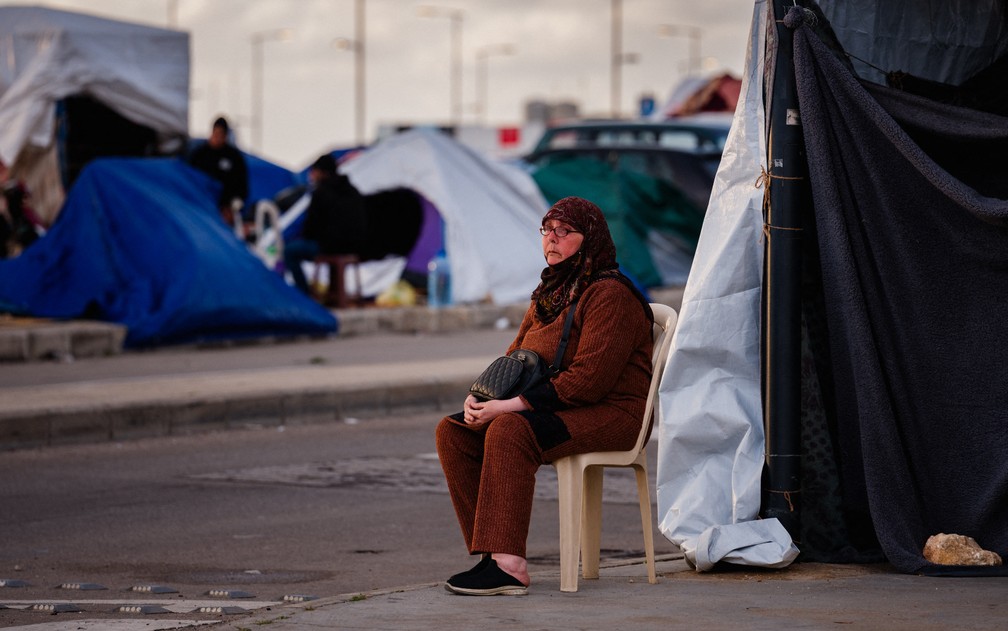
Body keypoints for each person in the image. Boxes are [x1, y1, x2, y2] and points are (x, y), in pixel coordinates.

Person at [435, 196, 654, 596]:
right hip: (563, 406)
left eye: (564, 231)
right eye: (547, 229)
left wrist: (510, 407)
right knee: (455, 431)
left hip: (614, 414)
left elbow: (590, 381)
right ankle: (491, 552)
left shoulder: (610, 295)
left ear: (589, 240)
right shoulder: (549, 293)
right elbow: (512, 358)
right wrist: (481, 397)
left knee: (511, 430)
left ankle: (510, 567)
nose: (552, 239)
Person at [283, 154, 368, 295]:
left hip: (329, 246)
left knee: (289, 251)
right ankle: (334, 292)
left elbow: (311, 227)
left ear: (322, 172)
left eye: (314, 171)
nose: (311, 176)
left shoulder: (321, 193)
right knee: (331, 243)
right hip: (356, 246)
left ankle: (303, 294)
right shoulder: (353, 191)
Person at [188, 116, 249, 226]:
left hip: (224, 207)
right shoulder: (199, 155)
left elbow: (241, 185)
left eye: (221, 134)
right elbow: (189, 178)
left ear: (226, 136)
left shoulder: (233, 157)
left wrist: (233, 205)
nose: (217, 138)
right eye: (216, 133)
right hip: (202, 205)